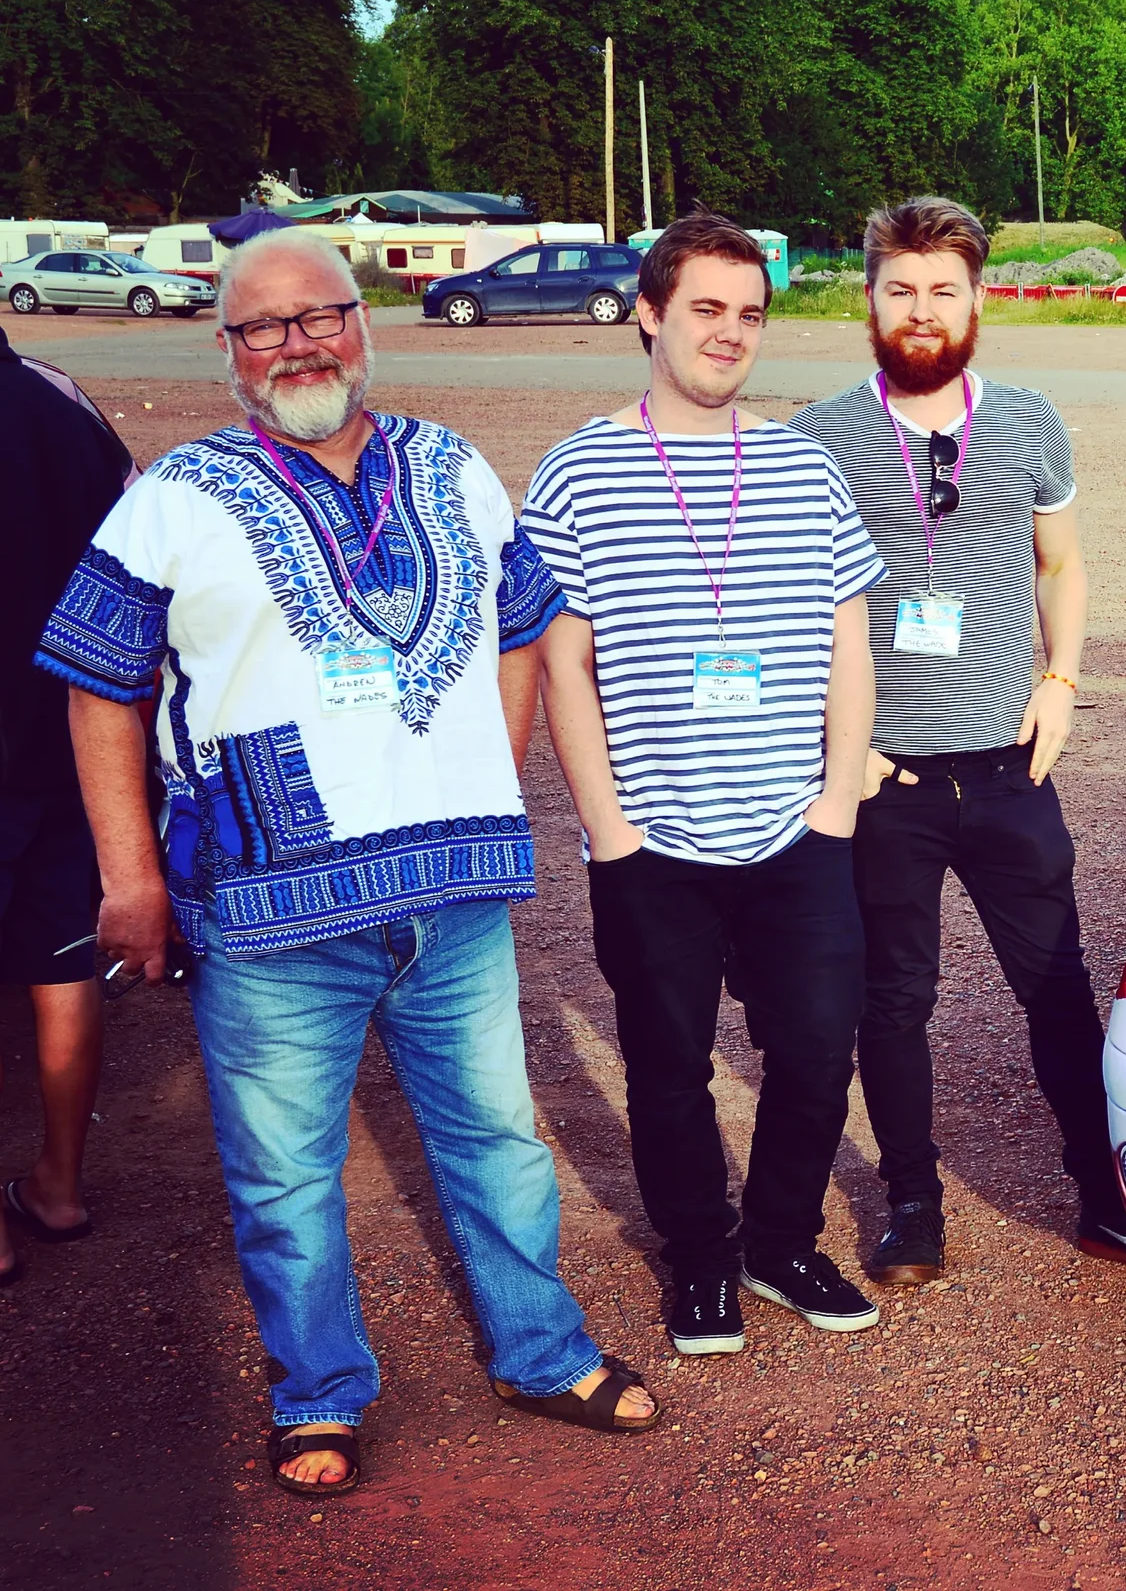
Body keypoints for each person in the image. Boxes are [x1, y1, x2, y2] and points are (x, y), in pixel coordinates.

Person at [37, 227, 654, 1499]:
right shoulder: (174, 496)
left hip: (454, 900)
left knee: (497, 1139)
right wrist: (129, 872)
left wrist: (494, 773)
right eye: (262, 327)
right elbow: (99, 689)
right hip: (270, 911)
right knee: (282, 1174)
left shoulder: (454, 465)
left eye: (318, 314)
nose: (295, 343)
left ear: (361, 323)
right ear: (228, 351)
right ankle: (318, 1389)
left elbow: (525, 630)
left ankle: (541, 1352)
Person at [790, 196, 1126, 1285]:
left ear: (979, 297)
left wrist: (1062, 679)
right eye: (901, 289)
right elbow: (783, 605)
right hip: (887, 776)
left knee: (1057, 985)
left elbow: (1060, 563)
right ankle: (913, 1204)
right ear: (868, 298)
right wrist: (843, 743)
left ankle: (1104, 1196)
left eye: (943, 290)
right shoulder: (819, 436)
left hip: (1013, 765)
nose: (922, 311)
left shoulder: (1026, 421)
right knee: (894, 998)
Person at [529, 212, 885, 1356]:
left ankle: (779, 1239)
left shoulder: (799, 462)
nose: (730, 334)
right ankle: (698, 1258)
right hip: (654, 845)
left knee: (821, 1048)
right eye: (706, 309)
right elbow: (562, 662)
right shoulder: (579, 472)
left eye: (750, 313)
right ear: (648, 313)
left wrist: (834, 809)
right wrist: (609, 831)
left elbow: (849, 640)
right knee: (670, 1070)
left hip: (798, 832)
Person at [0, 336, 132, 1284]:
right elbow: (133, 531)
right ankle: (60, 1182)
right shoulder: (59, 400)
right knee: (61, 958)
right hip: (64, 732)